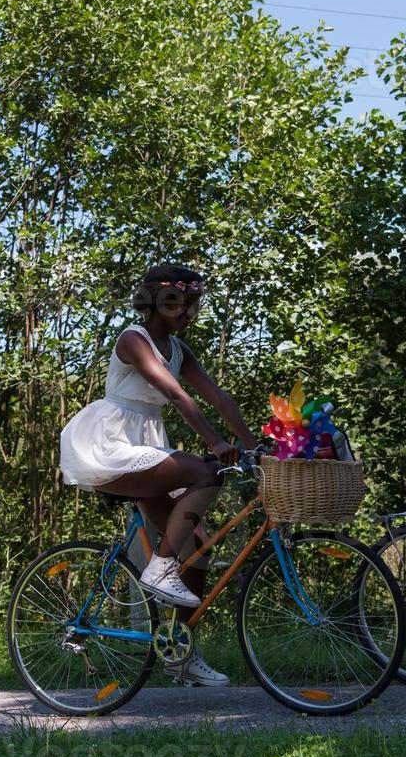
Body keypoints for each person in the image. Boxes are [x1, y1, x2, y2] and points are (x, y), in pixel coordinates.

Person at [59, 264, 261, 685]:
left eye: (192, 304)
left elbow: (217, 397)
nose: (189, 312)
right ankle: (160, 567)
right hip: (111, 444)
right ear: (159, 302)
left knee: (201, 548)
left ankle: (179, 654)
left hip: (147, 446)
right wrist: (215, 443)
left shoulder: (178, 349)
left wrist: (255, 445)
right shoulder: (134, 339)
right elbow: (173, 391)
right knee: (208, 472)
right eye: (182, 304)